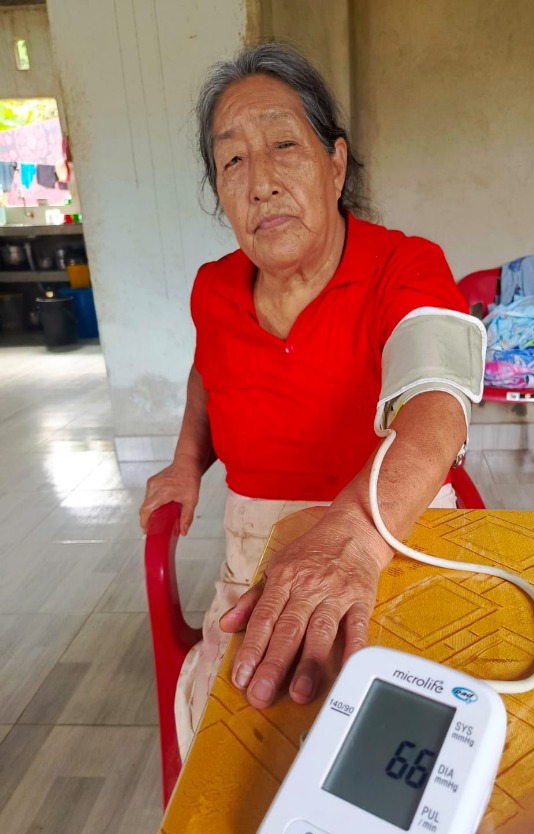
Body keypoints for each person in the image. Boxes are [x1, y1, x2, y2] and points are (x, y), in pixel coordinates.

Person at [139, 43, 485, 758]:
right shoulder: (214, 288)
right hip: (253, 548)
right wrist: (184, 461)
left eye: (283, 145)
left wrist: (355, 535)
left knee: (405, 740)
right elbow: (210, 372)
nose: (260, 182)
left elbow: (438, 399)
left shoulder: (405, 265)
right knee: (252, 749)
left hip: (390, 531)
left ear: (335, 163)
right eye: (232, 160)